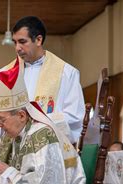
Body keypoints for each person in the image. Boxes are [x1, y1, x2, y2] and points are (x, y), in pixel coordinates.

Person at [12, 16, 85, 144]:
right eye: (15, 42)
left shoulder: (66, 73)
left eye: (22, 42)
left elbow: (74, 115)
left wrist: (33, 124)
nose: (17, 48)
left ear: (38, 40)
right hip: (15, 144)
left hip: (50, 146)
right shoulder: (7, 73)